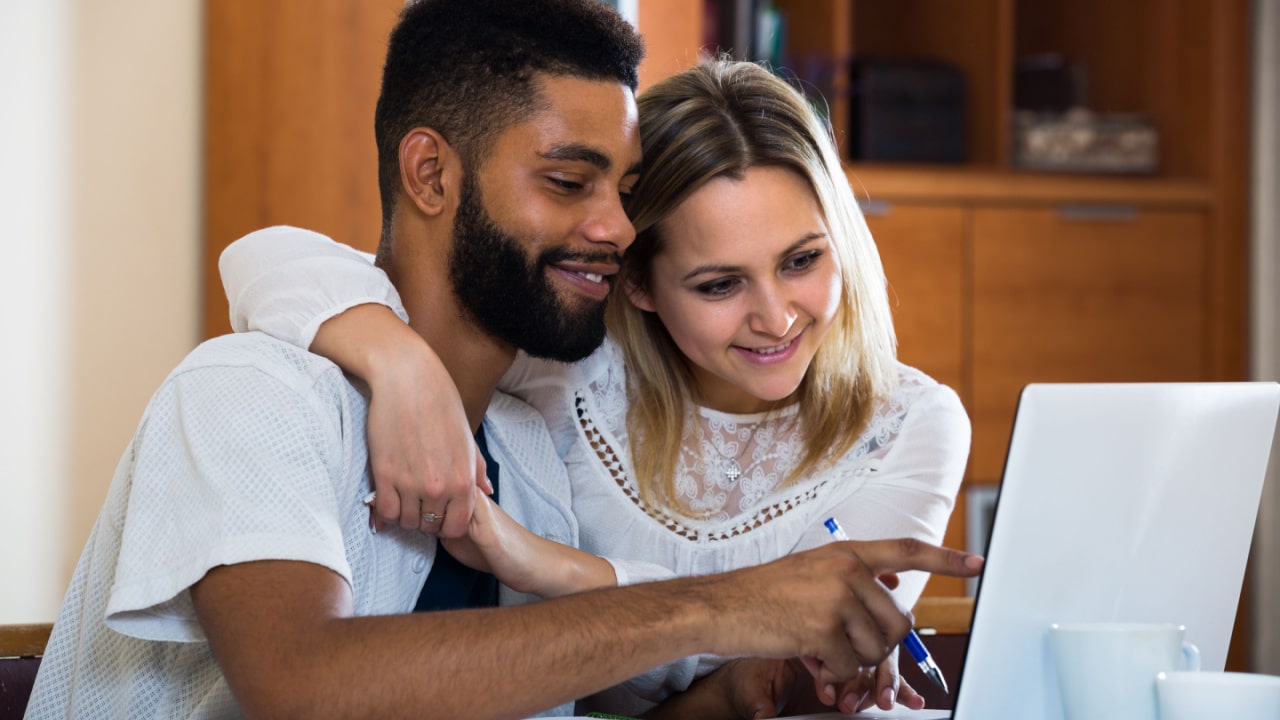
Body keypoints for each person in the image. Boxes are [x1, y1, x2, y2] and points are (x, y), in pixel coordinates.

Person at [26, 3, 982, 719]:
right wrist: (720, 608)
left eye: (625, 190)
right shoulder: (254, 395)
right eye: (569, 182)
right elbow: (303, 690)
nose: (615, 229)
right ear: (431, 174)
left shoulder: (527, 454)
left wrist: (752, 687)